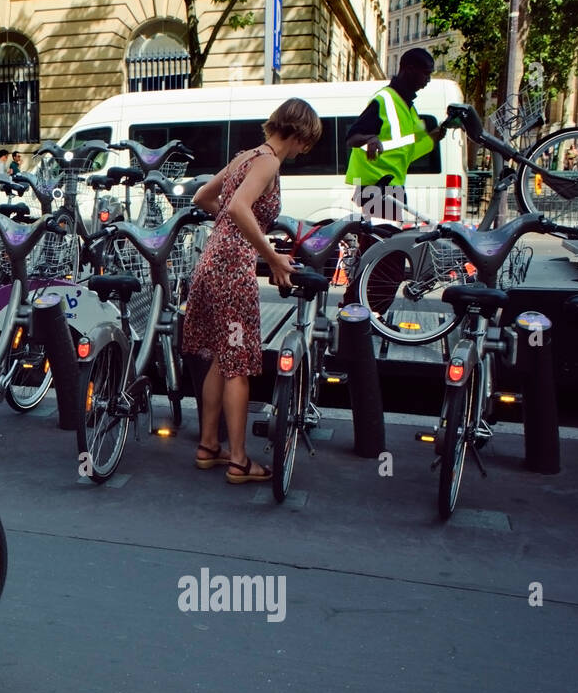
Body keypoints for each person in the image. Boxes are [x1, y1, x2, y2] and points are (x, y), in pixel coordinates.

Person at [181, 98, 321, 483]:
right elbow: (241, 207)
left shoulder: (246, 156)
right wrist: (272, 256)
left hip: (210, 263)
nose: (302, 152)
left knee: (218, 358)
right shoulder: (269, 161)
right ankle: (239, 460)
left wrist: (229, 228)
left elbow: (203, 198)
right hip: (231, 271)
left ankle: (209, 446)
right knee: (238, 364)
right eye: (305, 144)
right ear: (300, 134)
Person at [345, 48, 457, 222]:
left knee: (385, 244)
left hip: (391, 187)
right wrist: (370, 138)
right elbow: (352, 138)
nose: (428, 79)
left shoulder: (408, 108)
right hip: (379, 187)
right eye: (426, 73)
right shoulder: (384, 99)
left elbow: (410, 148)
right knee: (382, 245)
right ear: (410, 69)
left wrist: (442, 130)